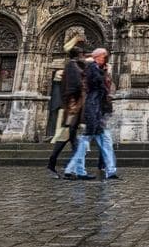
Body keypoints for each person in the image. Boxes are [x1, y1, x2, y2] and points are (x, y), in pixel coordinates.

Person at [64, 48, 119, 180]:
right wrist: (105, 72)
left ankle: (110, 171)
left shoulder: (95, 68)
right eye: (103, 56)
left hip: (97, 109)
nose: (104, 59)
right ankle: (72, 169)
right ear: (97, 57)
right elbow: (98, 84)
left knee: (102, 141)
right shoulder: (92, 69)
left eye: (105, 57)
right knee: (87, 141)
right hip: (93, 109)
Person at [47, 45, 86, 176]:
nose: (84, 55)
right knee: (68, 137)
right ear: (77, 54)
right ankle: (55, 164)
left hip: (73, 108)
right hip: (72, 108)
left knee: (72, 139)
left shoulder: (73, 66)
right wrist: (74, 106)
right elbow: (75, 87)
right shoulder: (72, 67)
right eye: (82, 52)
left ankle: (74, 168)